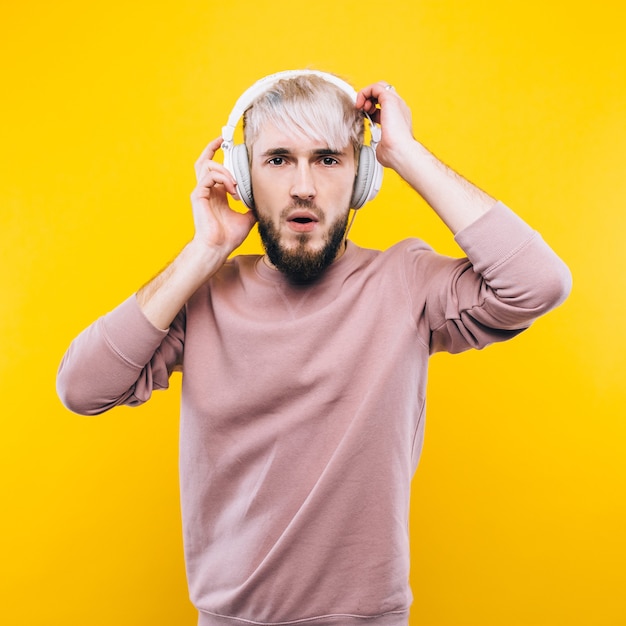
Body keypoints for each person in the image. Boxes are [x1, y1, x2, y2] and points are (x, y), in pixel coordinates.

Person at [57, 70, 572, 626]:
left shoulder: (405, 282)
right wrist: (203, 253)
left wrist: (405, 152)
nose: (304, 185)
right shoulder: (202, 298)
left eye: (328, 159)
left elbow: (539, 283)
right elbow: (81, 388)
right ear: (244, 178)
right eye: (278, 159)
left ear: (362, 178)